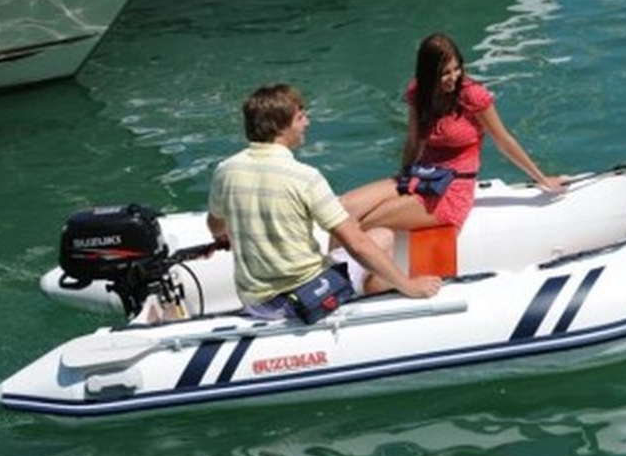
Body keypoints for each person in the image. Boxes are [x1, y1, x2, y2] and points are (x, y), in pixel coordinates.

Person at [207, 83, 441, 321]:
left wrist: (224, 237)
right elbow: (357, 244)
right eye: (300, 117)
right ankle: (376, 298)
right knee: (383, 236)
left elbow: (215, 224)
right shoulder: (304, 177)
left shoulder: (226, 171)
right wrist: (409, 285)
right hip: (306, 299)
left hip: (255, 303)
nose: (307, 122)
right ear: (280, 126)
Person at [339, 33, 567, 233]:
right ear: (428, 74)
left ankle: (341, 266)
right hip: (422, 176)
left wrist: (542, 179)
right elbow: (413, 142)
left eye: (457, 69)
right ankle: (333, 264)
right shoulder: (418, 93)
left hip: (452, 189)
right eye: (445, 73)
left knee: (365, 222)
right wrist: (402, 180)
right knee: (346, 207)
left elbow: (504, 141)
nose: (454, 77)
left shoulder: (472, 96)